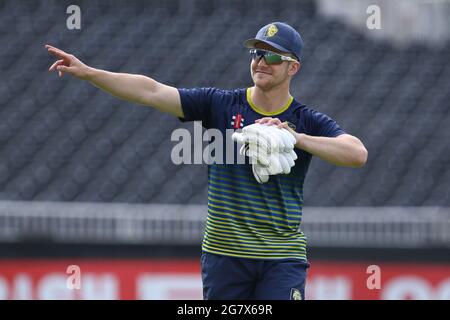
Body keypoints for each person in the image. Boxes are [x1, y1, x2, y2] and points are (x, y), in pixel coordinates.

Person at [46, 21, 368, 300]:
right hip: (224, 256)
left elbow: (356, 153)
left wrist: (297, 139)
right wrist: (90, 73)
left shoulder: (304, 119)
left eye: (272, 55)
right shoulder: (221, 104)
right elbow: (152, 92)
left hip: (281, 259)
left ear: (292, 67)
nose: (260, 62)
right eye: (256, 53)